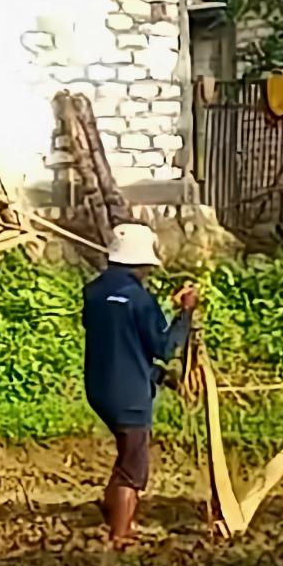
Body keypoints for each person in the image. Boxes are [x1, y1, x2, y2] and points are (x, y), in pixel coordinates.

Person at [82, 222, 198, 545]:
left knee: (125, 456)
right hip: (129, 395)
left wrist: (159, 377)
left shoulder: (93, 292)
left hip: (99, 387)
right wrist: (185, 315)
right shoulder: (140, 299)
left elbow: (122, 344)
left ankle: (123, 523)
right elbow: (163, 347)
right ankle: (120, 535)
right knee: (132, 467)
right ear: (142, 262)